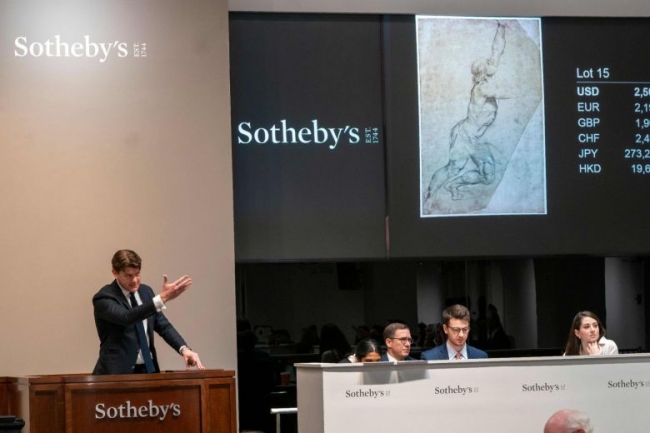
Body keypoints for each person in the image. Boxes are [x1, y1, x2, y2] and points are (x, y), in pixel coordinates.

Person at [423, 21, 508, 209]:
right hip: (463, 137)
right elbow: (507, 93)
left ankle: (454, 185)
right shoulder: (481, 89)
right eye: (489, 67)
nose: (492, 66)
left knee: (488, 177)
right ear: (483, 73)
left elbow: (497, 50)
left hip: (477, 141)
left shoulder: (489, 77)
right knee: (453, 168)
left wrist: (501, 28)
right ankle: (429, 197)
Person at [92, 249, 204, 374]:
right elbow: (127, 317)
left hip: (148, 370)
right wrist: (161, 299)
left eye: (137, 274)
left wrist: (184, 349)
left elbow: (163, 326)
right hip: (116, 374)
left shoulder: (146, 292)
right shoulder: (104, 297)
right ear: (115, 273)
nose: (134, 280)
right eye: (128, 275)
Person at [420, 304, 487, 361]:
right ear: (445, 329)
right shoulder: (430, 358)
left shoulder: (481, 357)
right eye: (456, 330)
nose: (461, 335)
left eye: (465, 329)